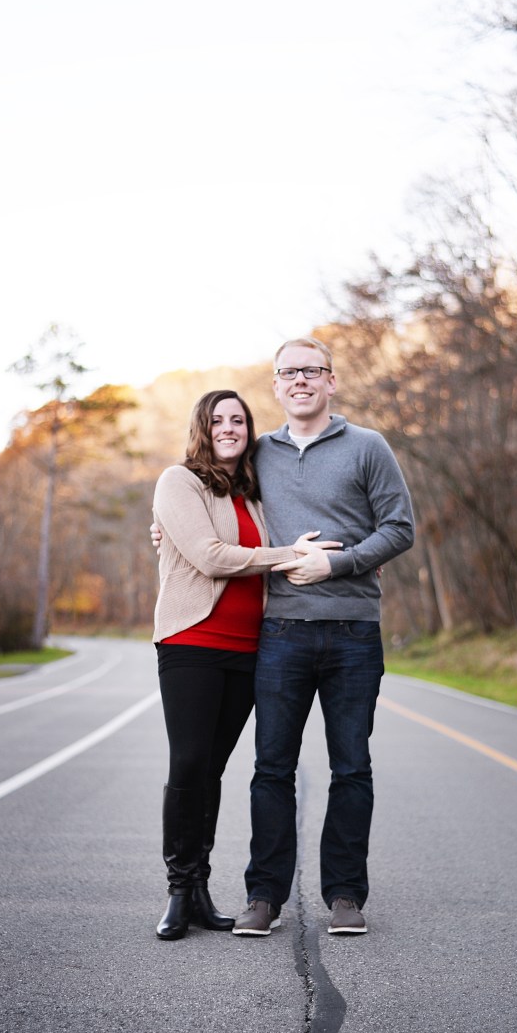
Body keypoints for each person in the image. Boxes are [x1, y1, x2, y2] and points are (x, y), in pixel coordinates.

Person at [154, 340, 415, 938]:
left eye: (312, 371)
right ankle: (263, 895)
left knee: (351, 766)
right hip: (279, 634)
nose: (300, 380)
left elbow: (399, 528)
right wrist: (163, 529)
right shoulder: (257, 455)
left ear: (330, 382)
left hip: (353, 631)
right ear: (275, 386)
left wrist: (340, 563)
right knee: (271, 768)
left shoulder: (368, 447)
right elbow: (207, 514)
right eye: (288, 372)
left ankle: (345, 895)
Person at [151, 388, 339, 941]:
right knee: (187, 764)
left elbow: (310, 528)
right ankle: (178, 891)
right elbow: (209, 557)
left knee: (211, 770)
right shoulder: (179, 481)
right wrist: (286, 556)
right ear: (202, 429)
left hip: (247, 648)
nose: (229, 427)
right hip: (191, 640)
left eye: (238, 419)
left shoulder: (255, 494)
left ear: (249, 429)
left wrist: (346, 561)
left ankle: (203, 892)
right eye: (218, 420)